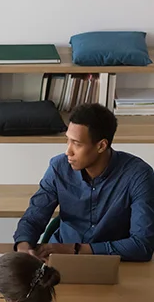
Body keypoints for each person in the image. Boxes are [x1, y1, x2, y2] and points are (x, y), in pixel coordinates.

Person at [14, 103, 154, 262]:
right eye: (68, 141)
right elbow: (34, 217)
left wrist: (76, 249)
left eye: (77, 143)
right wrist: (23, 247)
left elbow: (142, 245)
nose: (68, 151)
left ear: (101, 145)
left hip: (114, 264)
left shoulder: (138, 175)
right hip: (59, 261)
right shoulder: (59, 167)